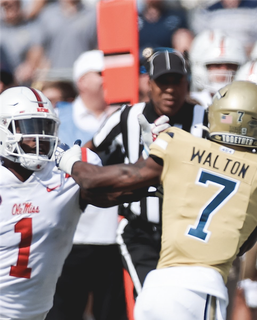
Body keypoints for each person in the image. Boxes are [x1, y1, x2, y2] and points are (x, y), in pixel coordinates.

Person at [56, 80, 257, 320]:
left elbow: (100, 187)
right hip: (201, 288)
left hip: (157, 287)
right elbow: (244, 243)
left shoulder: (179, 144)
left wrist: (71, 161)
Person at [83, 49, 208, 303]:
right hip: (141, 230)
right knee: (153, 302)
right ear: (149, 84)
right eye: (163, 82)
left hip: (189, 233)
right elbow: (89, 152)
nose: (170, 90)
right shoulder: (126, 117)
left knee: (186, 304)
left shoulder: (205, 120)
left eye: (177, 82)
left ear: (188, 83)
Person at [0, 86, 104, 319]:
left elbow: (114, 190)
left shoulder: (65, 170)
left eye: (44, 127)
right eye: (29, 127)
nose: (39, 138)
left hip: (37, 311)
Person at [46, 50, 127, 320]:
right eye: (101, 74)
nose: (108, 81)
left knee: (111, 312)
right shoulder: (57, 117)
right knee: (63, 311)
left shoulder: (126, 116)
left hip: (112, 235)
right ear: (82, 81)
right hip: (70, 234)